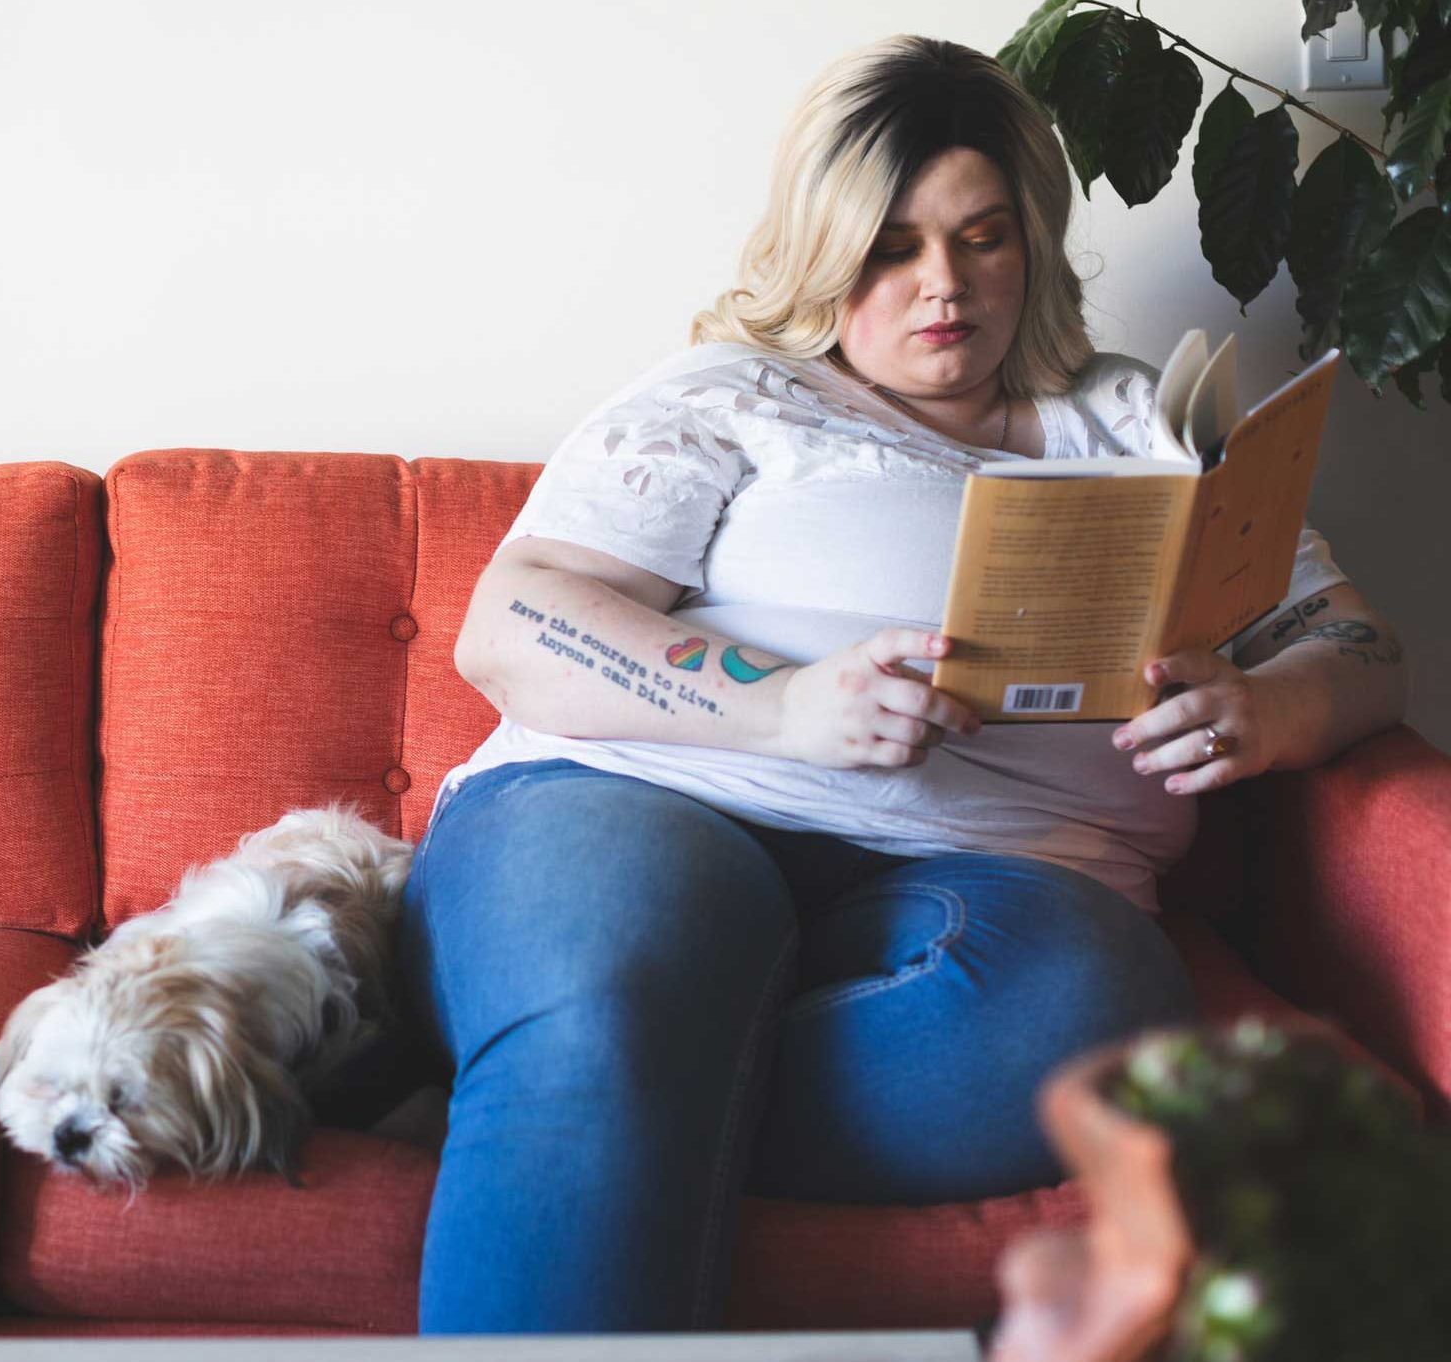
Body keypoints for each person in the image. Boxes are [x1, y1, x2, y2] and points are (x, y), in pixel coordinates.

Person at [401, 33, 1411, 1335]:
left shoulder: (1141, 427)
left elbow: (1364, 647)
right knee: (623, 982)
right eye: (892, 245)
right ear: (826, 251)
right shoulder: (731, 394)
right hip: (639, 800)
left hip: (1004, 882)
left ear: (1031, 243)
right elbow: (513, 621)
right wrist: (780, 704)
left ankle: (542, 1080)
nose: (945, 285)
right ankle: (572, 1051)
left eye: (983, 237)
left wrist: (1273, 710)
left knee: (1084, 1015)